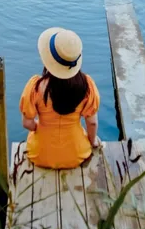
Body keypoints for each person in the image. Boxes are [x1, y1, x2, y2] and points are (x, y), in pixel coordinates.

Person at [19, 27, 100, 169]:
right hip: (77, 154)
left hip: (40, 154)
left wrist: (38, 126)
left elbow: (27, 123)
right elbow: (92, 123)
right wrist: (92, 142)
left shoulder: (35, 87)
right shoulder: (87, 86)